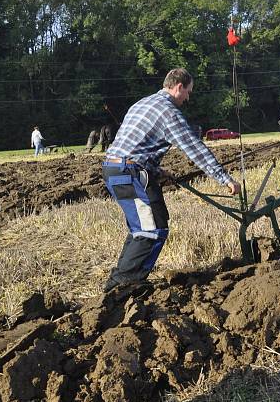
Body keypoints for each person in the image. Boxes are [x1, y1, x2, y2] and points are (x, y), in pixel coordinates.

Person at [102, 68, 241, 292]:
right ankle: (122, 286)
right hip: (130, 173)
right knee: (152, 230)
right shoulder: (169, 113)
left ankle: (124, 280)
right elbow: (195, 149)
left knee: (143, 228)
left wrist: (156, 170)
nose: (188, 97)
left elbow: (135, 145)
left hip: (113, 169)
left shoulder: (142, 103)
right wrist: (224, 179)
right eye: (188, 92)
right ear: (178, 87)